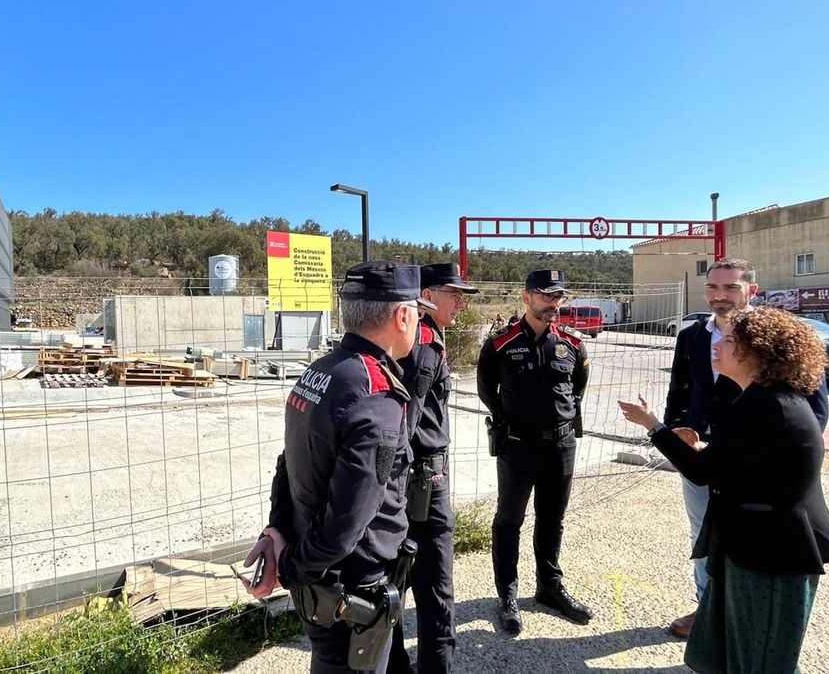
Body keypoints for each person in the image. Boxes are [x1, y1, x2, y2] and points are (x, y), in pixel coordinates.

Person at [619, 307, 829, 674]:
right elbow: (742, 461)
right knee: (741, 649)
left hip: (773, 553)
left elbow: (701, 472)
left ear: (758, 352)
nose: (717, 345)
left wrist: (654, 426)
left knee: (763, 657)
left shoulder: (767, 406)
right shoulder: (761, 398)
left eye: (729, 340)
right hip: (755, 543)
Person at [242, 260, 436, 674]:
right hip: (348, 587)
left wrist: (278, 533)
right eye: (417, 311)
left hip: (319, 576)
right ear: (402, 316)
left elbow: (288, 462)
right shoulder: (376, 396)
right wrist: (291, 569)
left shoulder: (322, 370)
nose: (419, 320)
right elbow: (347, 521)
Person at [662, 258, 828, 638]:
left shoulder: (777, 335)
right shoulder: (692, 336)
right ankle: (707, 612)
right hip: (706, 460)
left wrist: (784, 460)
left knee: (752, 545)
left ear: (752, 290)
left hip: (758, 470)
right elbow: (680, 392)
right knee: (703, 536)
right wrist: (677, 436)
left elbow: (813, 411)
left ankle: (750, 624)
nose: (720, 296)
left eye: (730, 288)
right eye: (712, 288)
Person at [476, 269, 593, 636]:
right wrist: (512, 420)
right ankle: (507, 596)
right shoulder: (500, 344)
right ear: (526, 297)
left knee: (552, 520)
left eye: (558, 296)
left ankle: (548, 587)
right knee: (509, 521)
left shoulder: (573, 343)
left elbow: (578, 387)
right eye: (546, 295)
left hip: (560, 445)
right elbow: (486, 391)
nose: (553, 303)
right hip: (518, 446)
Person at [386, 263, 478, 674]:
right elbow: (402, 428)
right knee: (435, 589)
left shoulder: (422, 337)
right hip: (422, 480)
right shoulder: (423, 345)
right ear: (426, 294)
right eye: (453, 293)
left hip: (412, 479)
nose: (460, 302)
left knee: (398, 579)